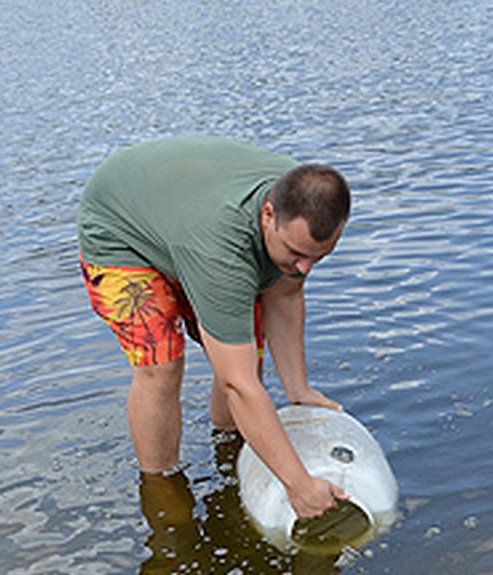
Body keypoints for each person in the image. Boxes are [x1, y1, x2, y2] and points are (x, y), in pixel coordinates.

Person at [77, 134, 350, 519]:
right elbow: (238, 385)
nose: (305, 268)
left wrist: (298, 389)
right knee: (162, 366)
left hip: (183, 218)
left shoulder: (305, 201)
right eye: (296, 253)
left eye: (319, 257)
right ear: (268, 215)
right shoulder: (221, 251)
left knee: (247, 353)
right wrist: (299, 486)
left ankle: (229, 446)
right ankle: (163, 491)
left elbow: (285, 297)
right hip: (122, 232)